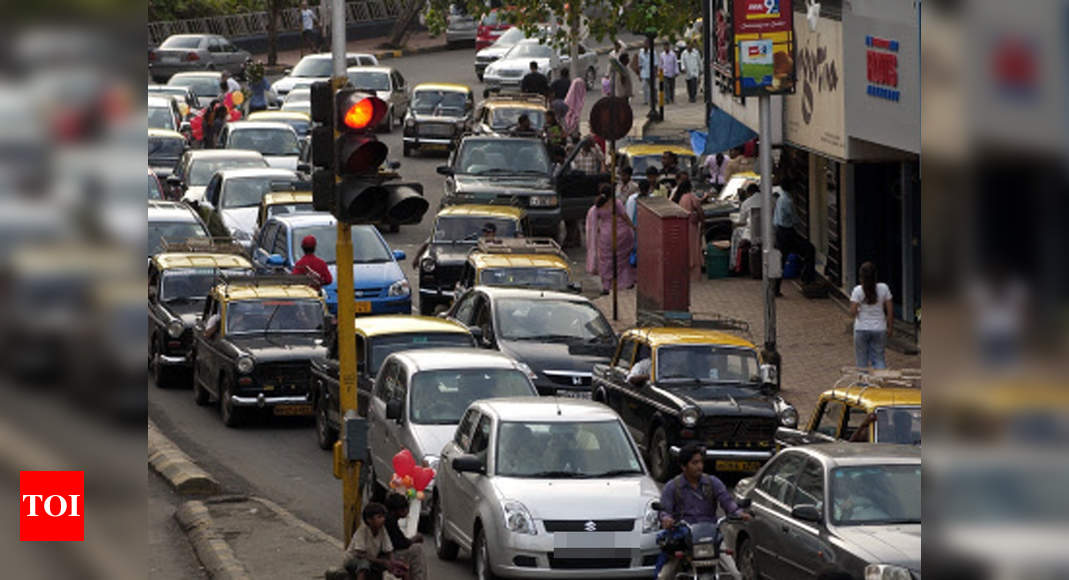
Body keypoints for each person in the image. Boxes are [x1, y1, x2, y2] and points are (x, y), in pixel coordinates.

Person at [656, 443, 751, 580]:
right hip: (684, 539)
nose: (699, 466)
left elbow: (727, 502)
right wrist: (666, 519)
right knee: (664, 576)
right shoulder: (672, 487)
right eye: (694, 463)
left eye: (701, 462)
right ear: (684, 466)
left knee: (735, 574)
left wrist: (738, 513)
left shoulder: (713, 482)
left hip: (711, 537)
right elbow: (664, 510)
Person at [585, 184, 636, 294]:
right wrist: (633, 227)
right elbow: (624, 216)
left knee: (606, 261)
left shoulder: (598, 205)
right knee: (622, 261)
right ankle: (625, 282)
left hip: (606, 236)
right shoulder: (616, 203)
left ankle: (606, 286)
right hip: (621, 234)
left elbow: (595, 222)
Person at [343, 502, 408, 580]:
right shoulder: (363, 530)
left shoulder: (382, 530)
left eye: (383, 516)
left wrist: (393, 563)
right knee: (364, 564)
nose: (383, 519)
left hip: (371, 559)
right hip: (354, 560)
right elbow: (360, 554)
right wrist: (382, 562)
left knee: (402, 566)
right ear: (369, 520)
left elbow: (388, 549)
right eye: (379, 517)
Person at [849, 261, 893, 369]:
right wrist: (890, 327)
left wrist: (858, 311)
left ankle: (864, 384)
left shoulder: (857, 291)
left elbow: (852, 312)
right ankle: (879, 382)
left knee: (862, 362)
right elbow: (890, 311)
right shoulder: (884, 288)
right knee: (879, 359)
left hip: (861, 328)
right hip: (879, 328)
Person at [383, 493, 426, 580]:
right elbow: (401, 544)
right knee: (417, 550)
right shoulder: (390, 521)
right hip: (386, 555)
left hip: (388, 553)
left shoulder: (389, 519)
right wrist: (415, 539)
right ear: (401, 510)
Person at [671, 179, 704, 280]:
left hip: (682, 226)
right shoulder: (691, 197)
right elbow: (700, 210)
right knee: (694, 249)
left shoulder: (679, 198)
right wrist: (702, 222)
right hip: (692, 227)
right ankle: (694, 274)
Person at [772, 186, 796, 296]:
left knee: (779, 259)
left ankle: (775, 287)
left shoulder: (780, 199)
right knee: (782, 259)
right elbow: (793, 218)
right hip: (786, 232)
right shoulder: (788, 201)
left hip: (779, 231)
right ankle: (775, 288)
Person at [638, 39, 655, 105]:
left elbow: (655, 63)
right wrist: (639, 74)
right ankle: (646, 101)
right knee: (644, 87)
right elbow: (640, 64)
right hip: (644, 72)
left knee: (652, 87)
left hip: (651, 72)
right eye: (645, 44)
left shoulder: (653, 52)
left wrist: (655, 72)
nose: (646, 45)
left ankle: (653, 99)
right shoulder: (641, 53)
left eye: (647, 44)